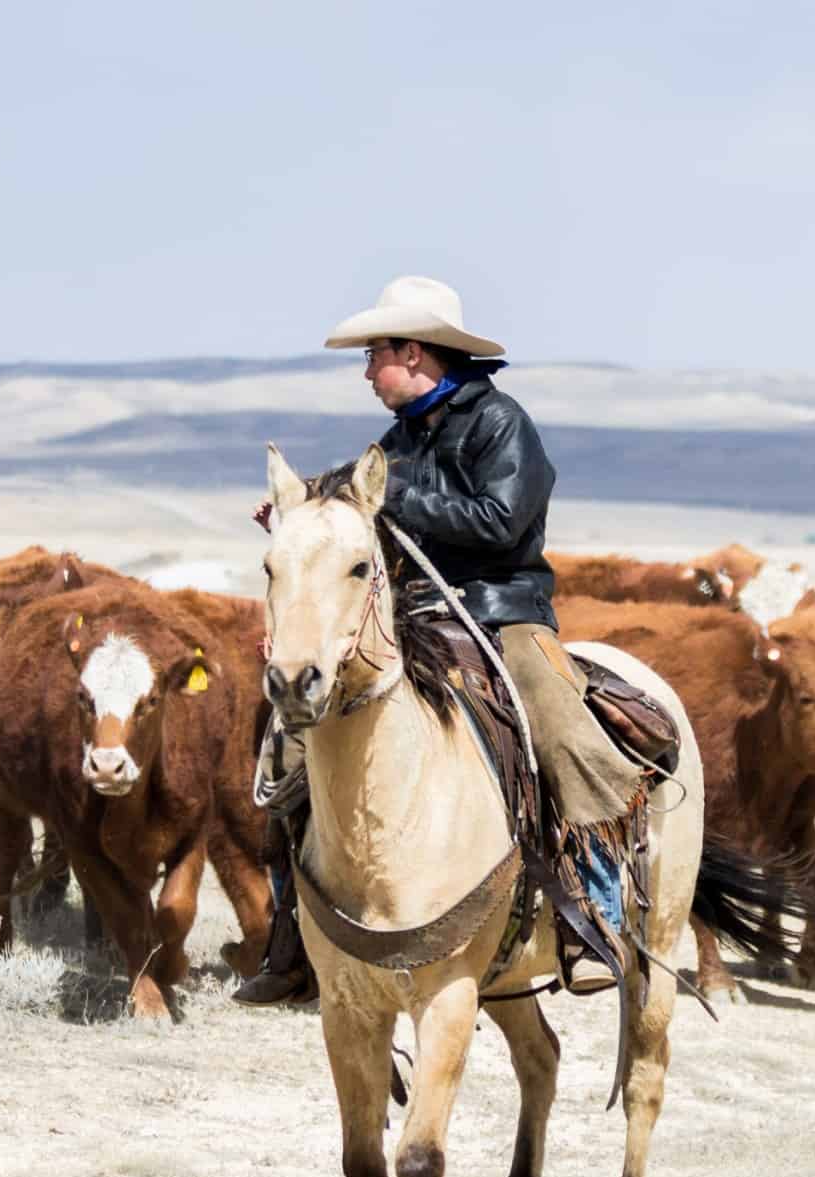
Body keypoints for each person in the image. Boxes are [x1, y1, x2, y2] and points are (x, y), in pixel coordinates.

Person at [233, 276, 651, 1006]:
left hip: (501, 614)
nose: (367, 372)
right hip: (414, 620)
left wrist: (392, 495)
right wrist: (305, 512)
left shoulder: (500, 424)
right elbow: (357, 517)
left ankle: (592, 908)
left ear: (415, 352)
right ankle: (296, 931)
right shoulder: (397, 441)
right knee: (294, 742)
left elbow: (502, 521)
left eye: (375, 356)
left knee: (558, 724)